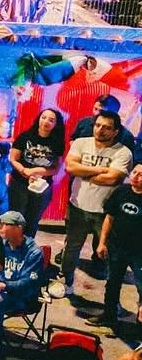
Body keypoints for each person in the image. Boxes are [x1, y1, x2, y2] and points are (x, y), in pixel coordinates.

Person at [55, 108, 132, 299]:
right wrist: (101, 170)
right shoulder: (81, 143)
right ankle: (68, 283)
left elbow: (112, 179)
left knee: (107, 254)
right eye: (98, 125)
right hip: (77, 206)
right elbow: (70, 167)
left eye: (107, 128)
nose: (100, 130)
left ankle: (111, 299)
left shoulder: (123, 152)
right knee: (72, 248)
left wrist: (85, 171)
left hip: (106, 212)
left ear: (115, 131)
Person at [6, 106, 65, 232]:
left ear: (56, 124)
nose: (46, 122)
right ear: (38, 119)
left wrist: (36, 171)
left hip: (42, 185)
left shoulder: (57, 142)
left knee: (33, 219)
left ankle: (28, 247)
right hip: (19, 183)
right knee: (15, 218)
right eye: (43, 118)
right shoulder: (25, 136)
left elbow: (55, 168)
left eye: (51, 120)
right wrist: (25, 171)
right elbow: (13, 159)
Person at [98, 162, 142, 331]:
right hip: (116, 248)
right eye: (134, 173)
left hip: (139, 253)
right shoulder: (121, 191)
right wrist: (102, 243)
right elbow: (109, 218)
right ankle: (109, 317)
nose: (136, 177)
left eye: (141, 175)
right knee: (112, 283)